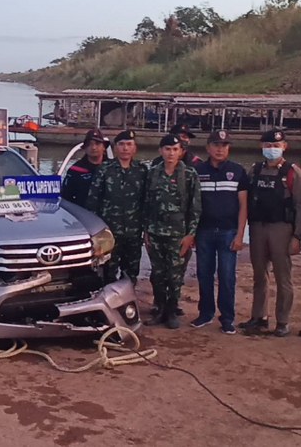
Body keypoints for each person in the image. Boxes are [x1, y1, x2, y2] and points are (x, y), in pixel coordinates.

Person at [240, 130, 301, 337]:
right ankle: (259, 317)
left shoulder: (292, 172)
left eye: (276, 146)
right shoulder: (255, 170)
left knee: (282, 277)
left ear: (284, 146)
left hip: (281, 229)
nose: (271, 149)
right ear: (261, 147)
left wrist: (297, 235)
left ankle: (283, 321)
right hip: (258, 227)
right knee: (259, 275)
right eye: (268, 145)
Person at [190, 130, 249, 334]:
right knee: (204, 274)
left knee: (227, 276)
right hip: (204, 232)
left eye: (224, 145)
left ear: (228, 148)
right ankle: (205, 313)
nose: (220, 149)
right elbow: (192, 204)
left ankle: (227, 318)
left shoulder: (238, 171)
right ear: (208, 147)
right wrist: (192, 233)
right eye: (216, 145)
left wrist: (240, 235)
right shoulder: (197, 171)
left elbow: (243, 206)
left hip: (228, 232)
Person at [144, 135, 202, 329]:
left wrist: (190, 234)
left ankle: (172, 310)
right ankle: (160, 309)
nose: (171, 153)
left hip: (178, 235)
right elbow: (147, 204)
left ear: (181, 152)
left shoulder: (189, 175)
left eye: (175, 149)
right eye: (167, 149)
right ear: (160, 151)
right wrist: (146, 231)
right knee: (158, 274)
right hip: (155, 232)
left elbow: (195, 208)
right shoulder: (153, 173)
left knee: (175, 275)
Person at [86, 130, 147, 285]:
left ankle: (129, 299)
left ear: (135, 148)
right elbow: (93, 201)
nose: (125, 148)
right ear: (114, 148)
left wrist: (145, 229)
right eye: (121, 144)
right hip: (109, 233)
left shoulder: (142, 170)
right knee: (108, 272)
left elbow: (147, 201)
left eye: (129, 144)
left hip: (133, 233)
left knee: (131, 273)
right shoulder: (105, 169)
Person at [61, 128, 108, 206]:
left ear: (104, 147)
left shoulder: (113, 168)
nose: (93, 147)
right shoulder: (75, 170)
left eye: (97, 144)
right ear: (85, 148)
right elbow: (65, 199)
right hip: (82, 212)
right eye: (89, 144)